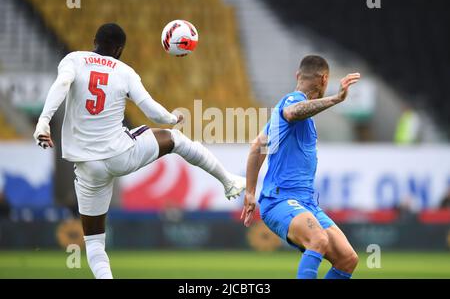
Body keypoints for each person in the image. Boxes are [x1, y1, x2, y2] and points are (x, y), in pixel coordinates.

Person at [33, 23, 245, 279]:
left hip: (87, 167)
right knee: (175, 139)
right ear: (120, 49)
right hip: (121, 155)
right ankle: (228, 180)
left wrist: (44, 121)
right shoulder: (125, 72)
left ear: (94, 41)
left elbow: (62, 83)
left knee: (94, 243)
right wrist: (172, 116)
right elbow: (151, 110)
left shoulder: (74, 60)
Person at [241, 55, 360, 279]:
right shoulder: (291, 101)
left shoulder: (283, 118)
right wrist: (336, 99)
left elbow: (258, 146)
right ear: (325, 79)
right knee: (318, 239)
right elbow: (293, 111)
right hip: (281, 200)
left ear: (298, 75)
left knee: (347, 259)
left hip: (305, 203)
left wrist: (249, 192)